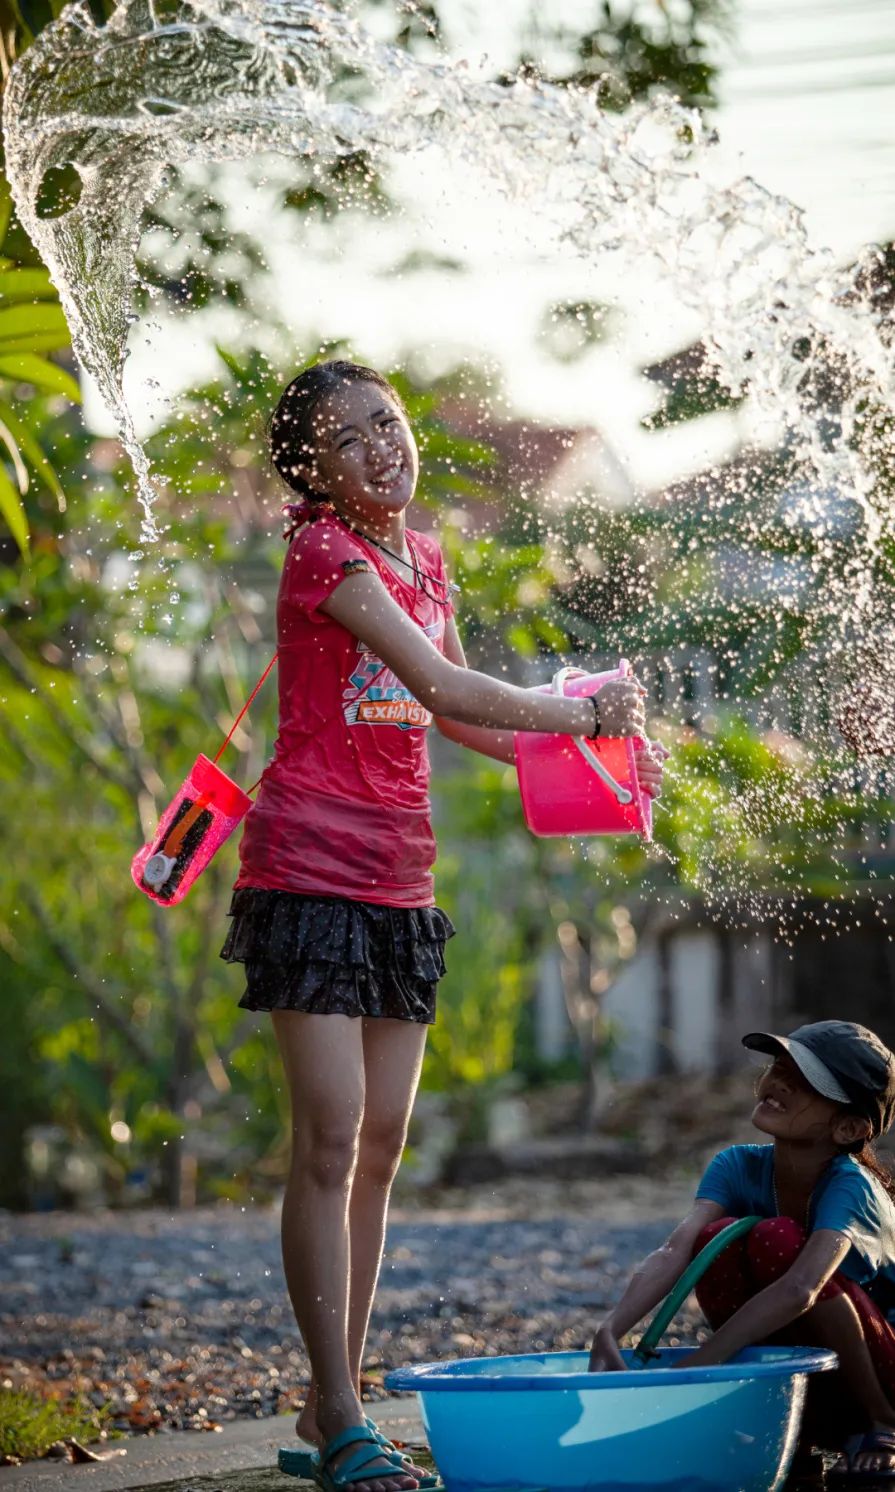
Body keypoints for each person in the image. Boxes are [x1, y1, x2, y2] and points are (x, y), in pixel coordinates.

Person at [220, 359, 665, 1492]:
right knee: (326, 1141)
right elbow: (439, 687)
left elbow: (469, 721)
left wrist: (601, 760)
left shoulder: (423, 557)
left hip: (400, 883)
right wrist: (580, 705)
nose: (383, 446)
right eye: (349, 438)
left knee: (377, 1154)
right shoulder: (328, 554)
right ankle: (335, 1408)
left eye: (391, 422)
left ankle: (341, 1407)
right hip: (310, 875)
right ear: (311, 473)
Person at [588, 1019, 895, 1484]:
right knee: (717, 1238)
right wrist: (612, 1327)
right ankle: (795, 1428)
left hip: (881, 1375)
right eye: (779, 1066)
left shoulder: (851, 1186)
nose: (777, 1083)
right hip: (812, 1379)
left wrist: (701, 1365)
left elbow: (801, 1288)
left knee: (777, 1240)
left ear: (849, 1126)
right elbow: (677, 1248)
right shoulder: (736, 1164)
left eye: (806, 1081)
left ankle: (882, 1422)